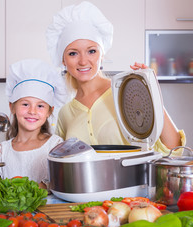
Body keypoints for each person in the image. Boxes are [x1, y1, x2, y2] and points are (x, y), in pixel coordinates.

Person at [46, 1, 186, 156]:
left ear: (102, 54)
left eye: (91, 51)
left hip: (134, 180)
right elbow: (62, 162)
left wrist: (152, 94)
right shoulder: (65, 113)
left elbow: (173, 148)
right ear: (63, 60)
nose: (83, 61)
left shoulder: (126, 93)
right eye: (73, 53)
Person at [0, 59, 67, 189]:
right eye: (25, 104)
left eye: (40, 106)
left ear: (49, 111)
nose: (32, 111)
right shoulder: (1, 150)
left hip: (47, 209)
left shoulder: (56, 146)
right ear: (12, 107)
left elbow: (60, 183)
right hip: (10, 210)